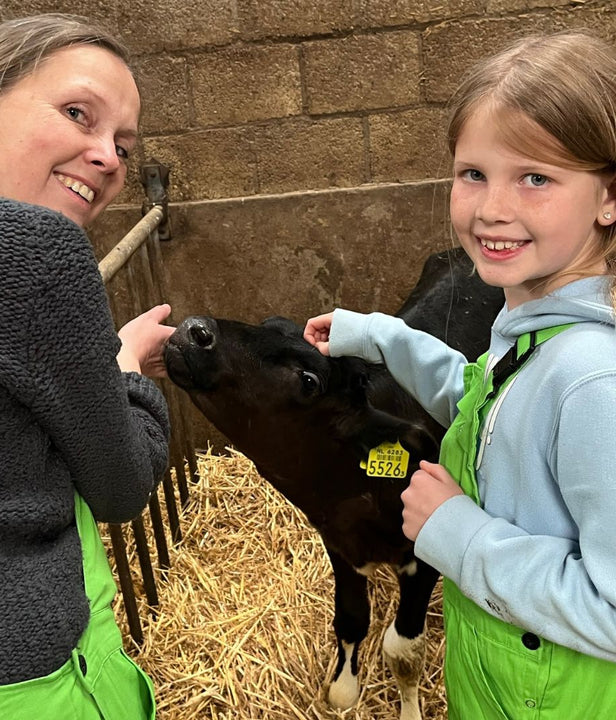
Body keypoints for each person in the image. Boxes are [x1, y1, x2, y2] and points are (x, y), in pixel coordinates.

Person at [304, 31, 616, 719]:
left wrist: (458, 535)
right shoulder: (537, 326)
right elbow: (488, 397)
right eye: (473, 173)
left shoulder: (594, 384)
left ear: (608, 196)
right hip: (507, 681)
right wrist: (383, 338)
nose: (491, 208)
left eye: (535, 177)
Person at [0, 13, 175, 720]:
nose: (109, 156)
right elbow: (121, 487)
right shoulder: (30, 247)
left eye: (122, 143)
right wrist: (125, 373)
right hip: (16, 688)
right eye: (78, 114)